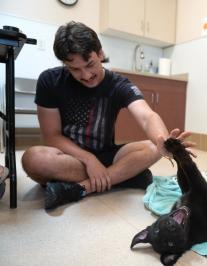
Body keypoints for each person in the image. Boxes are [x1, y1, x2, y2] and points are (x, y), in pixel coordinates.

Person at [21, 21, 191, 210]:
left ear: (100, 53)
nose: (85, 75)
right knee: (33, 159)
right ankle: (123, 177)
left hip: (109, 155)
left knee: (154, 147)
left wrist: (164, 142)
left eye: (90, 64)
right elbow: (52, 136)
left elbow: (147, 116)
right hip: (70, 157)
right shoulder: (50, 81)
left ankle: (80, 188)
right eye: (75, 69)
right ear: (65, 64)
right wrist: (89, 160)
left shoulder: (118, 84)